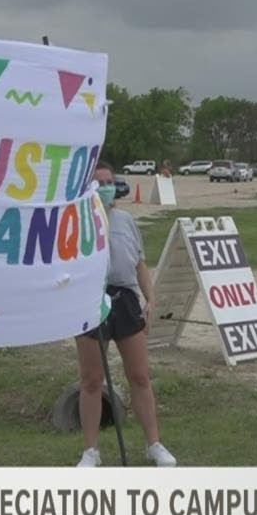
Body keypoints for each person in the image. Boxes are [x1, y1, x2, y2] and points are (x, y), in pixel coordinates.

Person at [75, 162, 177, 468]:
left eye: (109, 181)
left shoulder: (125, 220)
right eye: (98, 182)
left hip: (126, 301)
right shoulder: (77, 221)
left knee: (140, 376)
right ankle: (91, 451)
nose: (105, 187)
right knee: (92, 380)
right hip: (90, 302)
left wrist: (151, 298)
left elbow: (139, 265)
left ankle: (154, 444)